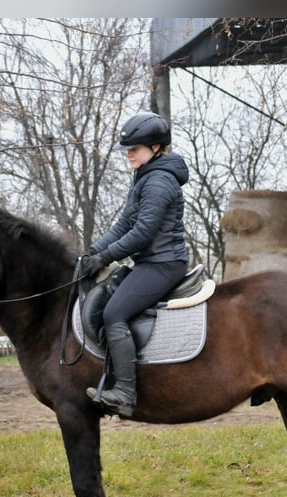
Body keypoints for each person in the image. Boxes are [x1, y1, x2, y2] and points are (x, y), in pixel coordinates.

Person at [81, 111, 190, 417]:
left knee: (114, 312)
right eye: (128, 149)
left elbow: (142, 234)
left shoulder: (159, 181)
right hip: (150, 263)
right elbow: (122, 226)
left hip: (163, 264)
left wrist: (106, 257)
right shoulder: (144, 177)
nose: (129, 154)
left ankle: (126, 393)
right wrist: (92, 253)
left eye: (135, 148)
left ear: (156, 147)